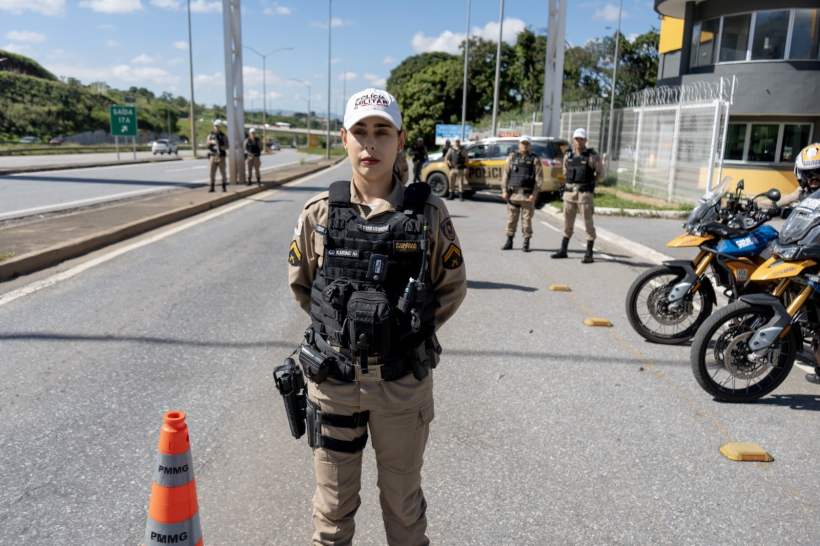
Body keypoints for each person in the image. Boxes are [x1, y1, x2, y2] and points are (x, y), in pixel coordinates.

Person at [287, 87, 467, 546]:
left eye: (382, 132)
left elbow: (450, 287)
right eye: (361, 132)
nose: (371, 145)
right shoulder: (319, 214)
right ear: (343, 137)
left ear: (400, 139)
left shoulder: (427, 213)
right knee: (331, 515)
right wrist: (345, 335)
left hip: (401, 387)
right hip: (334, 385)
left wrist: (403, 334)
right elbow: (305, 286)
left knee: (404, 511)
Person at [552, 128, 603, 263]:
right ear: (573, 140)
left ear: (585, 140)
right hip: (569, 194)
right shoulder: (568, 155)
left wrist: (591, 183)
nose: (578, 141)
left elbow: (600, 174)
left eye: (581, 139)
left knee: (588, 223)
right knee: (567, 223)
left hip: (584, 195)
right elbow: (565, 171)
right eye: (576, 139)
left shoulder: (592, 156)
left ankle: (589, 253)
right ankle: (563, 250)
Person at [501, 135, 544, 252]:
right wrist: (504, 191)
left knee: (527, 221)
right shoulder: (512, 157)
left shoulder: (535, 159)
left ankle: (526, 243)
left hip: (527, 196)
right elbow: (505, 175)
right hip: (513, 195)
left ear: (530, 145)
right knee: (511, 219)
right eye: (522, 143)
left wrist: (534, 194)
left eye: (526, 144)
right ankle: (509, 241)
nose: (524, 146)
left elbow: (539, 179)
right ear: (519, 144)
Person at [206, 120, 228, 192]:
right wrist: (211, 142)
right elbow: (207, 144)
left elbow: (227, 146)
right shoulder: (210, 135)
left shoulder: (223, 136)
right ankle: (212, 187)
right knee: (211, 172)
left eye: (218, 126)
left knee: (223, 172)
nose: (217, 128)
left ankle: (224, 187)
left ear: (220, 127)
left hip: (221, 156)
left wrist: (221, 147)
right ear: (213, 127)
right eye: (215, 126)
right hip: (213, 155)